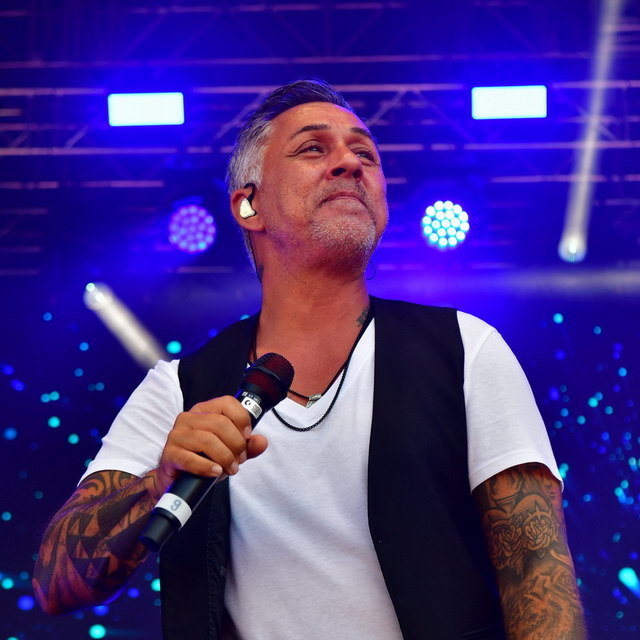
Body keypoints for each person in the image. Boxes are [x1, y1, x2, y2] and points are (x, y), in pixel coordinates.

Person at [33, 79, 587, 640]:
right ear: (248, 205)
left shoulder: (465, 348)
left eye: (365, 153)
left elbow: (537, 573)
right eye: (313, 148)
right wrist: (159, 483)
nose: (349, 162)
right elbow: (56, 584)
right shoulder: (180, 388)